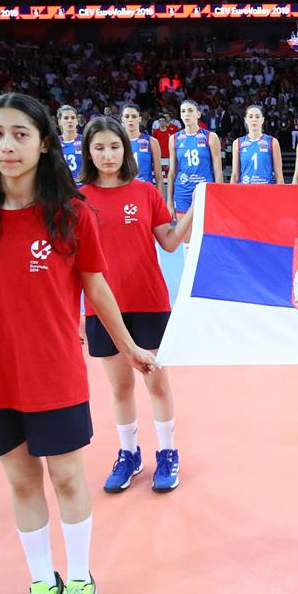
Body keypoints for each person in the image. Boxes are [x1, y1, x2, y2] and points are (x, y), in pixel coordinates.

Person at [0, 92, 156, 594]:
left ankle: (80, 580)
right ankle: (43, 584)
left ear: (43, 143)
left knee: (65, 477)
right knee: (20, 480)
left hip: (52, 369)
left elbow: (96, 288)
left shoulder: (72, 213)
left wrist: (130, 347)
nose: (7, 146)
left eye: (20, 134)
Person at [79, 117, 194, 493]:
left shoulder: (145, 192)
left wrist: (197, 207)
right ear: (88, 153)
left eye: (114, 147)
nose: (108, 155)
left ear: (125, 150)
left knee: (156, 382)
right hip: (103, 307)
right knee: (120, 387)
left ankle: (167, 452)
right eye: (99, 148)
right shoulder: (77, 200)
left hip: (149, 301)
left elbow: (171, 242)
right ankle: (129, 454)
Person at [168, 99, 223, 218]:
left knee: (204, 228)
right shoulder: (174, 139)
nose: (186, 114)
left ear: (198, 114)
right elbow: (172, 172)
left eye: (190, 110)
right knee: (183, 229)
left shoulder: (210, 137)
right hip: (182, 191)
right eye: (183, 111)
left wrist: (219, 196)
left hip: (204, 190)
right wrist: (170, 202)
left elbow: (218, 170)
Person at [231, 104, 285, 184]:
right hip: (245, 189)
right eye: (250, 116)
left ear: (262, 120)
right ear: (246, 120)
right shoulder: (238, 143)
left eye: (257, 116)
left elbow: (279, 175)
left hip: (266, 189)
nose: (254, 119)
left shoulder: (272, 142)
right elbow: (235, 175)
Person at [121, 102, 162, 187]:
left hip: (145, 190)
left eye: (134, 116)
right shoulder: (117, 143)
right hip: (124, 190)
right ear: (122, 119)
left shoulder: (151, 141)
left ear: (139, 119)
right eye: (127, 116)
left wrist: (159, 195)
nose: (130, 119)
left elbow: (158, 176)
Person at [57, 105, 82, 176]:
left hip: (83, 182)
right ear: (59, 122)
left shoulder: (86, 141)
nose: (70, 121)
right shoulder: (54, 142)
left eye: (73, 118)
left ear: (77, 121)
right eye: (66, 118)